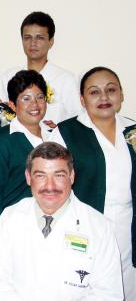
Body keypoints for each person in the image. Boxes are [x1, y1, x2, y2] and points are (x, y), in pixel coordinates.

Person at [0, 142, 123, 300]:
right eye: (40, 175)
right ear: (28, 177)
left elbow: (108, 293)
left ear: (72, 176)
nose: (50, 186)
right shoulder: (10, 217)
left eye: (59, 175)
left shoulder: (99, 227)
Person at [48, 66, 136, 299]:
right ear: (82, 99)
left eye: (111, 90)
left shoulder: (133, 130)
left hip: (127, 227)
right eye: (94, 92)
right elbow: (51, 183)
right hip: (82, 227)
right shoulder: (66, 132)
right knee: (83, 286)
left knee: (124, 286)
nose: (104, 97)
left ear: (121, 94)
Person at [0, 70, 49, 236]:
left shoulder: (55, 136)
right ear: (12, 105)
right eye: (26, 98)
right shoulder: (0, 142)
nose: (35, 105)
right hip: (14, 231)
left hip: (50, 229)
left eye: (40, 97)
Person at [0, 11, 82, 128]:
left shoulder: (66, 79)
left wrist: (58, 130)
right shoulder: (8, 76)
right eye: (27, 38)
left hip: (53, 144)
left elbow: (78, 119)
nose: (33, 43)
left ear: (51, 42)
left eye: (40, 38)